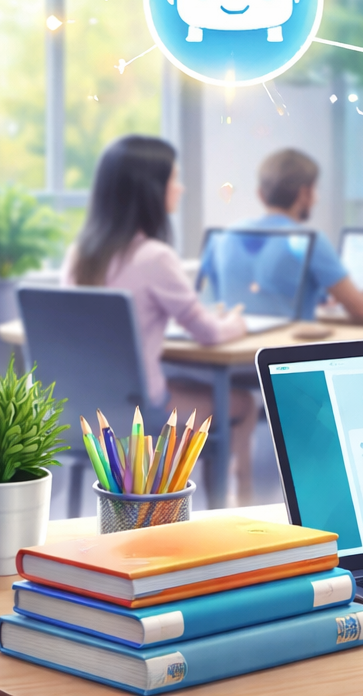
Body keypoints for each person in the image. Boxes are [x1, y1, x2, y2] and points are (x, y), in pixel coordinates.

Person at [61, 135, 254, 500]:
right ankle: (232, 503)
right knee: (243, 401)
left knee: (180, 381)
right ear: (149, 190)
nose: (179, 188)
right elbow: (209, 333)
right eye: (174, 179)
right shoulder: (154, 257)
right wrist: (236, 324)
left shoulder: (78, 255)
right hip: (142, 412)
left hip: (80, 409)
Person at [231, 148, 363, 322]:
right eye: (316, 190)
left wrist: (324, 297)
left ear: (260, 195)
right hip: (288, 346)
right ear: (305, 193)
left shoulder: (230, 234)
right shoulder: (308, 239)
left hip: (239, 345)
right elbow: (360, 308)